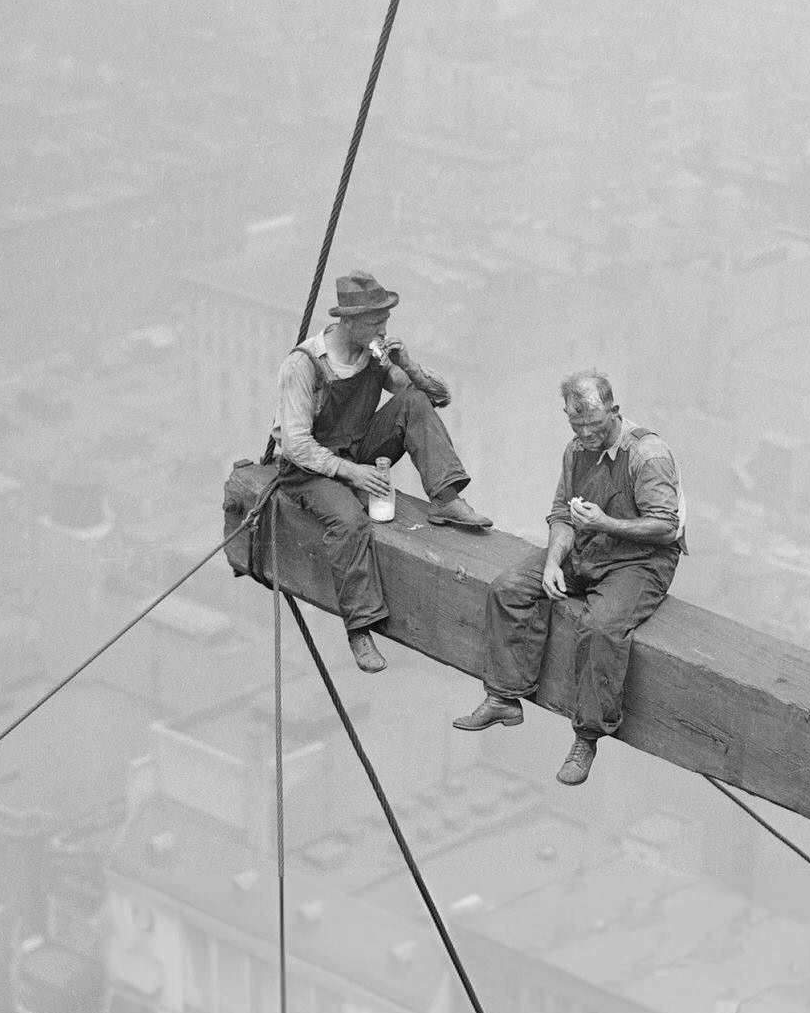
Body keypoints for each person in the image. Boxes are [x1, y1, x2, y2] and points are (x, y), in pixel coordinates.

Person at [453, 369, 685, 785]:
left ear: (614, 412)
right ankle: (504, 696)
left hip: (640, 561)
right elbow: (562, 514)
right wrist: (553, 562)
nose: (587, 435)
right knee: (509, 588)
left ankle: (588, 734)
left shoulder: (648, 454)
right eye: (577, 425)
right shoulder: (576, 449)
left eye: (594, 426)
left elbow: (666, 528)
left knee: (600, 628)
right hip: (591, 546)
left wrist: (607, 522)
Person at [268, 269, 492, 673]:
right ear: (348, 322)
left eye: (384, 321)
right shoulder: (304, 366)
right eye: (375, 322)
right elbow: (297, 445)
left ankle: (446, 499)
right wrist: (351, 473)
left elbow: (437, 399)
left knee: (413, 403)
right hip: (310, 470)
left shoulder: (373, 355)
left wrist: (409, 364)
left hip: (355, 449)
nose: (383, 329)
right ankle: (360, 626)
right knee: (349, 522)